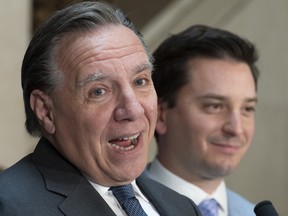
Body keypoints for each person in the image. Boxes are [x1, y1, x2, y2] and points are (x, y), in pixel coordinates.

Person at [0, 2, 201, 216]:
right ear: (46, 111)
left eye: (140, 81)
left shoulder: (183, 207)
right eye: (98, 91)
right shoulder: (9, 206)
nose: (133, 109)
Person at [147, 24, 259, 216]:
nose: (236, 129)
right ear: (161, 114)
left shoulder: (254, 213)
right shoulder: (111, 207)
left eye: (247, 109)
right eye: (214, 106)